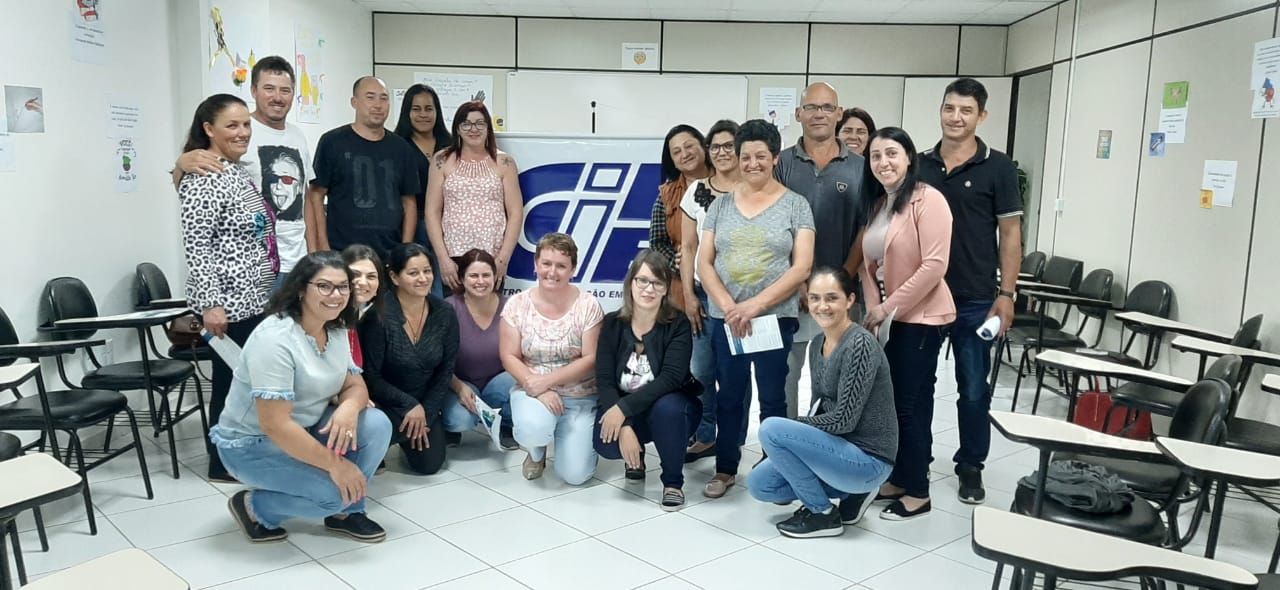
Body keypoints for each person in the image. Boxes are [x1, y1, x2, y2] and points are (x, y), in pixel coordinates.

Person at [211, 251, 392, 543]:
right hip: (253, 445)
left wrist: (348, 407)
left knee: (376, 423)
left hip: (305, 428)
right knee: (333, 496)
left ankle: (348, 513)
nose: (336, 295)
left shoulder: (334, 327)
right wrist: (337, 465)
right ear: (300, 289)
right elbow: (276, 426)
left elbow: (355, 384)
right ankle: (254, 507)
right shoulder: (275, 340)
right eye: (324, 286)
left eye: (343, 286)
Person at [917, 78, 1023, 505]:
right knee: (917, 384)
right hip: (925, 296)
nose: (955, 117)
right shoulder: (920, 165)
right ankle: (915, 459)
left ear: (981, 116)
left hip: (977, 299)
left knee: (974, 388)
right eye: (949, 108)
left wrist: (1008, 294)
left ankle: (971, 465)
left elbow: (1011, 234)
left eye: (965, 110)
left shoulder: (999, 167)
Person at [699, 119, 815, 499]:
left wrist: (755, 305)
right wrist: (731, 307)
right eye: (745, 156)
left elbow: (802, 267)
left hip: (772, 320)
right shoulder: (720, 205)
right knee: (729, 395)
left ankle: (774, 467)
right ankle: (726, 468)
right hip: (727, 320)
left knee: (773, 397)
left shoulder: (796, 205)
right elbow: (704, 262)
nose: (751, 163)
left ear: (774, 157)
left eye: (760, 156)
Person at [747, 267, 897, 538]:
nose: (822, 306)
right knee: (760, 484)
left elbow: (844, 420)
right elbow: (819, 406)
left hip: (868, 459)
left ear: (850, 300)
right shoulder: (818, 344)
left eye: (831, 298)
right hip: (837, 451)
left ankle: (823, 514)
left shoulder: (860, 344)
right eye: (815, 298)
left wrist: (793, 429)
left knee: (771, 429)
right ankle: (850, 494)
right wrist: (797, 438)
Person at [178, 93, 277, 483]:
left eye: (246, 124)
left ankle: (239, 451)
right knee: (229, 384)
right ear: (209, 129)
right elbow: (197, 247)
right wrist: (211, 305)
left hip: (253, 299)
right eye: (232, 125)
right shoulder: (203, 175)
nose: (242, 132)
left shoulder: (232, 170)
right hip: (228, 305)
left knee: (244, 382)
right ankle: (221, 462)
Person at [858, 127, 955, 521]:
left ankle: (918, 490)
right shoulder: (882, 203)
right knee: (896, 402)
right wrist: (874, 309)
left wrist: (888, 308)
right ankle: (899, 478)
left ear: (910, 157)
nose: (884, 162)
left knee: (908, 407)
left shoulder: (927, 200)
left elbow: (935, 265)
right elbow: (870, 266)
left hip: (920, 319)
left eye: (892, 154)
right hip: (889, 319)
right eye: (876, 156)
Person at [175, 57, 313, 289]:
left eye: (285, 90)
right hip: (253, 264)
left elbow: (306, 197)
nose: (277, 97)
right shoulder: (234, 135)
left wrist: (315, 253)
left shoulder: (297, 135)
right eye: (268, 88)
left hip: (297, 260)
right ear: (253, 90)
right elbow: (197, 231)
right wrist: (180, 164)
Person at [776, 82, 866, 420]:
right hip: (791, 294)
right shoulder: (781, 163)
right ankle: (780, 451)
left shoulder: (859, 167)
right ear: (798, 114)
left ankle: (824, 448)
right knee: (785, 377)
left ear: (839, 114)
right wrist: (796, 282)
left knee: (834, 378)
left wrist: (841, 283)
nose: (819, 114)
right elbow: (774, 227)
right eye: (811, 107)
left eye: (827, 107)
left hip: (841, 293)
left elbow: (865, 228)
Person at [595, 250, 698, 511]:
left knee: (669, 408)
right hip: (628, 407)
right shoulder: (612, 324)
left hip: (671, 406)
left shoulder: (678, 324)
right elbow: (605, 380)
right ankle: (635, 458)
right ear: (631, 283)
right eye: (642, 280)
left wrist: (622, 411)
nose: (648, 289)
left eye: (657, 283)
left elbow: (671, 378)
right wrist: (625, 424)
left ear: (665, 289)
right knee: (604, 443)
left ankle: (673, 482)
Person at [500, 233, 604, 485]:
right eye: (546, 263)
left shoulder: (589, 305)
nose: (552, 272)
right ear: (536, 265)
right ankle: (537, 451)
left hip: (580, 395)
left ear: (573, 270)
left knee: (576, 476)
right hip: (532, 389)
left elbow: (591, 358)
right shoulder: (516, 305)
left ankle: (566, 434)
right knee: (534, 430)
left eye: (561, 266)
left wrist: (548, 381)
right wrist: (536, 386)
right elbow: (508, 355)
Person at [359, 243, 460, 475]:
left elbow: (446, 371)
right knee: (373, 447)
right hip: (386, 402)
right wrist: (409, 405)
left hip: (424, 403)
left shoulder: (445, 312)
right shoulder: (378, 316)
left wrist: (427, 412)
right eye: (413, 273)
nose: (423, 278)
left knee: (429, 466)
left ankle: (410, 434)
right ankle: (378, 442)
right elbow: (371, 377)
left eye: (427, 271)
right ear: (394, 277)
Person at [677, 119, 744, 463]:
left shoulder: (754, 186)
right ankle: (705, 435)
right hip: (703, 297)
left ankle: (733, 441)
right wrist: (688, 295)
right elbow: (688, 247)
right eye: (715, 146)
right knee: (701, 370)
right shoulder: (697, 190)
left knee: (736, 377)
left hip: (742, 300)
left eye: (728, 145)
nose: (721, 152)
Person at [308, 76, 420, 260]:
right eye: (370, 97)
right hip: (342, 254)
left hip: (389, 255)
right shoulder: (332, 142)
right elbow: (316, 195)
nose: (378, 105)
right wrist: (323, 246)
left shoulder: (402, 148)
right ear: (354, 102)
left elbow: (409, 202)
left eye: (383, 98)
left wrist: (404, 252)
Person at [425, 101, 524, 292]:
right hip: (453, 259)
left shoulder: (505, 162)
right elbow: (432, 212)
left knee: (488, 317)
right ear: (458, 129)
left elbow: (515, 213)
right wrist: (443, 259)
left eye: (480, 123)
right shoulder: (441, 160)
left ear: (488, 127)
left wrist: (503, 259)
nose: (473, 129)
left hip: (492, 257)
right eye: (466, 123)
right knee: (455, 315)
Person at [441, 248, 519, 450]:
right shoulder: (447, 308)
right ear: (462, 278)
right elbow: (438, 360)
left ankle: (506, 424)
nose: (480, 281)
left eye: (486, 275)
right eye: (473, 275)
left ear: (495, 277)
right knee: (459, 419)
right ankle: (451, 427)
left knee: (520, 383)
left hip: (500, 382)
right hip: (461, 382)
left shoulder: (512, 307)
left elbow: (523, 354)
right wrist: (458, 387)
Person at [393, 83, 452, 298]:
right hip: (411, 223)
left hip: (448, 224)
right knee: (421, 285)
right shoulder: (396, 144)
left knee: (448, 284)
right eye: (416, 109)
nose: (423, 114)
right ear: (406, 112)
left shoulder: (452, 145)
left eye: (429, 108)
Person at [648, 124, 711, 310]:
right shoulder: (666, 195)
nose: (685, 154)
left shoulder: (729, 184)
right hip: (683, 291)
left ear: (704, 146)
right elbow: (657, 244)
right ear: (673, 161)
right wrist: (675, 261)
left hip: (729, 283)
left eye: (689, 146)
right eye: (677, 152)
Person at [341, 244, 384, 368]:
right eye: (355, 274)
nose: (363, 282)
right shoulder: (325, 320)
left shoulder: (372, 319)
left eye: (371, 277)